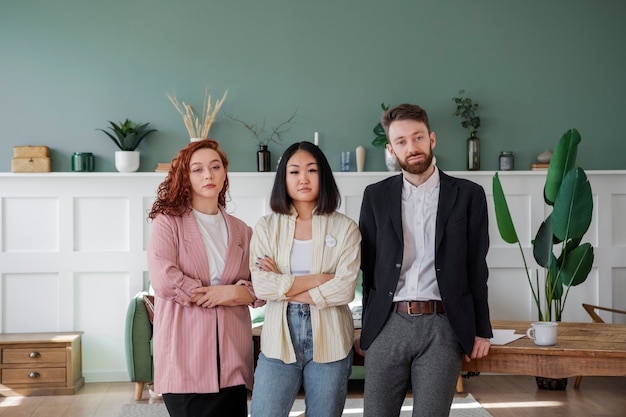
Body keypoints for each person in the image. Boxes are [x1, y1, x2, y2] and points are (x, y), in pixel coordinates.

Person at [356, 103, 492, 417]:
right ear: (391, 150)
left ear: (432, 139)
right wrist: (367, 327)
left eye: (417, 137)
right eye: (401, 141)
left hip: (442, 326)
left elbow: (476, 265)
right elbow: (369, 268)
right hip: (388, 323)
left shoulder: (469, 194)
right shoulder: (375, 196)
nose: (411, 147)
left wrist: (481, 329)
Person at [147, 139, 262, 417]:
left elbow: (264, 283)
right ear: (185, 177)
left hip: (232, 358)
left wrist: (234, 293)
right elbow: (164, 279)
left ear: (225, 174)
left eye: (215, 167)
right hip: (185, 355)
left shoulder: (243, 231)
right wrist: (215, 293)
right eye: (197, 169)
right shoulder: (168, 221)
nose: (208, 175)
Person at [249, 141, 361, 417]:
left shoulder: (345, 227)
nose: (303, 179)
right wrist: (322, 278)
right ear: (283, 179)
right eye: (294, 171)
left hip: (332, 341)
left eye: (312, 170)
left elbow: (344, 289)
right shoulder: (266, 226)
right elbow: (263, 286)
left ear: (323, 176)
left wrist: (283, 285)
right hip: (278, 340)